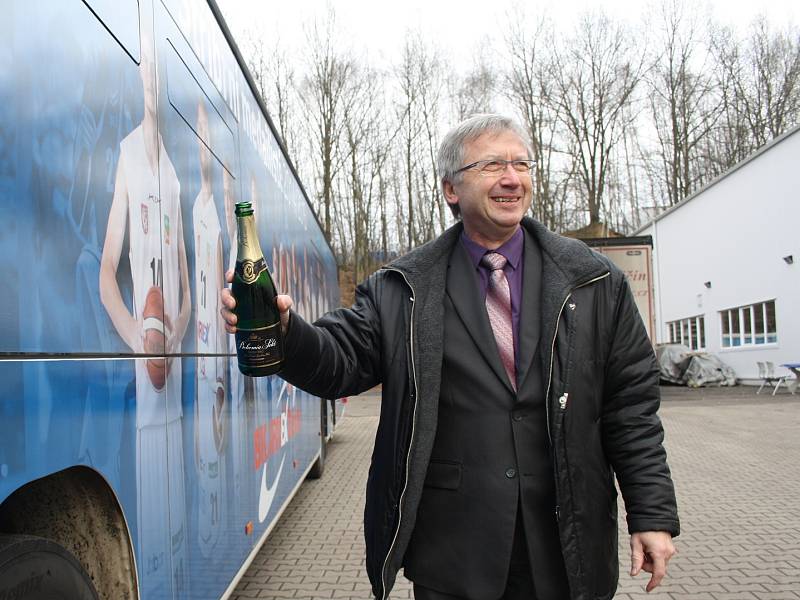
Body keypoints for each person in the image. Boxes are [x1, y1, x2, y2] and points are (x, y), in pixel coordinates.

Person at [221, 114, 679, 600]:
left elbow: (632, 409)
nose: (512, 177)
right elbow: (340, 360)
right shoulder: (404, 288)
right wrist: (286, 333)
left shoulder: (594, 282)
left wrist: (651, 514)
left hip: (567, 547)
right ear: (450, 189)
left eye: (522, 164)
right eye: (492, 165)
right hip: (454, 551)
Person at [99, 36, 191, 598]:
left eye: (160, 69)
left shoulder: (176, 177)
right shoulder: (128, 155)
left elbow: (180, 278)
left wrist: (175, 335)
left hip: (175, 378)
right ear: (138, 78)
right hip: (148, 375)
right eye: (145, 68)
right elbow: (108, 271)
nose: (152, 79)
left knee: (177, 511)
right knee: (155, 530)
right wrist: (138, 334)